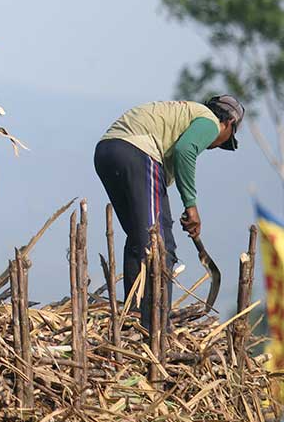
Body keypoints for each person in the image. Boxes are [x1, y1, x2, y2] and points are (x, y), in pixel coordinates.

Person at [94, 96, 244, 326]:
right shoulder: (210, 121)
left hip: (107, 152)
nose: (215, 146)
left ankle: (134, 314)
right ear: (229, 123)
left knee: (141, 237)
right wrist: (191, 205)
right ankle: (155, 323)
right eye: (224, 140)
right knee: (158, 244)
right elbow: (185, 150)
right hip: (137, 152)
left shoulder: (186, 115)